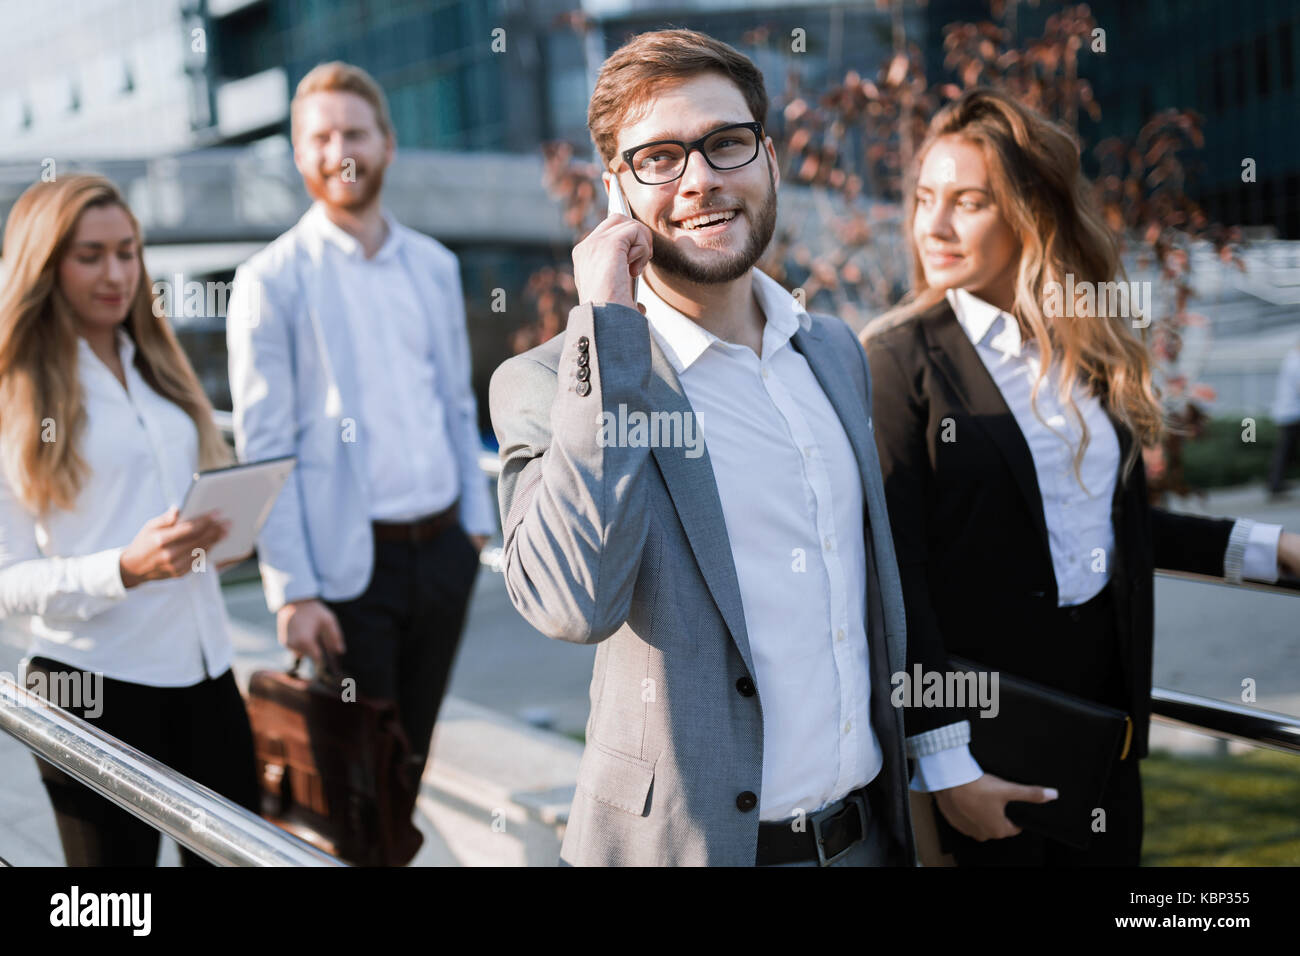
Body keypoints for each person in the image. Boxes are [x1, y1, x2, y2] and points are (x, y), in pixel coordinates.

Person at [490, 29, 914, 867]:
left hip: (867, 841)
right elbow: (572, 602)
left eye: (727, 144)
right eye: (658, 158)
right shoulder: (553, 381)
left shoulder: (831, 350)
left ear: (770, 161)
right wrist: (606, 328)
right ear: (615, 191)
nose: (701, 179)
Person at [862, 88, 1300, 866]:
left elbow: (1104, 524)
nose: (933, 225)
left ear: (1032, 212)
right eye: (925, 198)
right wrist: (946, 765)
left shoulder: (1085, 348)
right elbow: (897, 580)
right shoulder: (898, 361)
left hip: (1103, 719)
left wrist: (1266, 548)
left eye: (968, 201)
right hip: (990, 730)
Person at [226, 62, 492, 800]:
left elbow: (456, 405)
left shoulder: (434, 267)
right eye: (319, 136)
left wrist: (473, 528)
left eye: (353, 131)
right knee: (354, 785)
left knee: (409, 768)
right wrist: (292, 593)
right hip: (346, 575)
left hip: (442, 553)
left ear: (387, 144)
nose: (338, 148)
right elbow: (265, 447)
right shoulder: (269, 280)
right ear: (298, 154)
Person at [0, 174, 259, 866]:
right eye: (90, 256)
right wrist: (124, 568)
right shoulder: (13, 394)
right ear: (45, 263)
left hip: (207, 674)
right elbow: (5, 581)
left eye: (127, 251)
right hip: (90, 689)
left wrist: (223, 536)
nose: (116, 274)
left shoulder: (158, 364)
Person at [1268, 341, 1300, 499]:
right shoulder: (1296, 362)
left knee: (1287, 451)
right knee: (1285, 451)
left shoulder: (1291, 358)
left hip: (1289, 411)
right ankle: (1275, 484)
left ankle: (1275, 484)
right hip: (1292, 412)